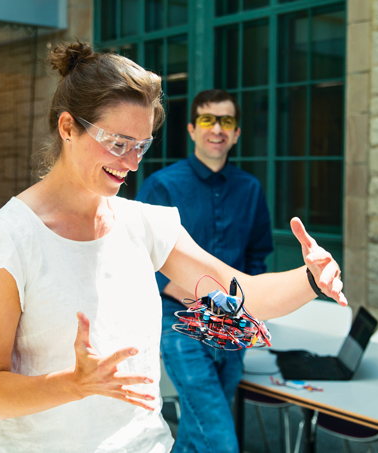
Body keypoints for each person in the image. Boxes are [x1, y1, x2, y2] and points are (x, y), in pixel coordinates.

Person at [0, 41, 347, 453]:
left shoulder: (146, 225)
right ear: (68, 127)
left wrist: (311, 279)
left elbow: (241, 295)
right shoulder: (3, 244)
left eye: (142, 145)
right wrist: (75, 384)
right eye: (119, 143)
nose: (133, 163)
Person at [136, 88, 274, 452]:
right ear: (193, 129)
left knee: (198, 430)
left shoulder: (251, 189)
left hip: (233, 328)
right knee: (221, 439)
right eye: (209, 120)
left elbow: (258, 254)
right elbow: (140, 256)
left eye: (227, 121)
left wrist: (248, 300)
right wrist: (187, 290)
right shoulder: (162, 186)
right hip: (181, 323)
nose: (218, 129)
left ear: (237, 132)